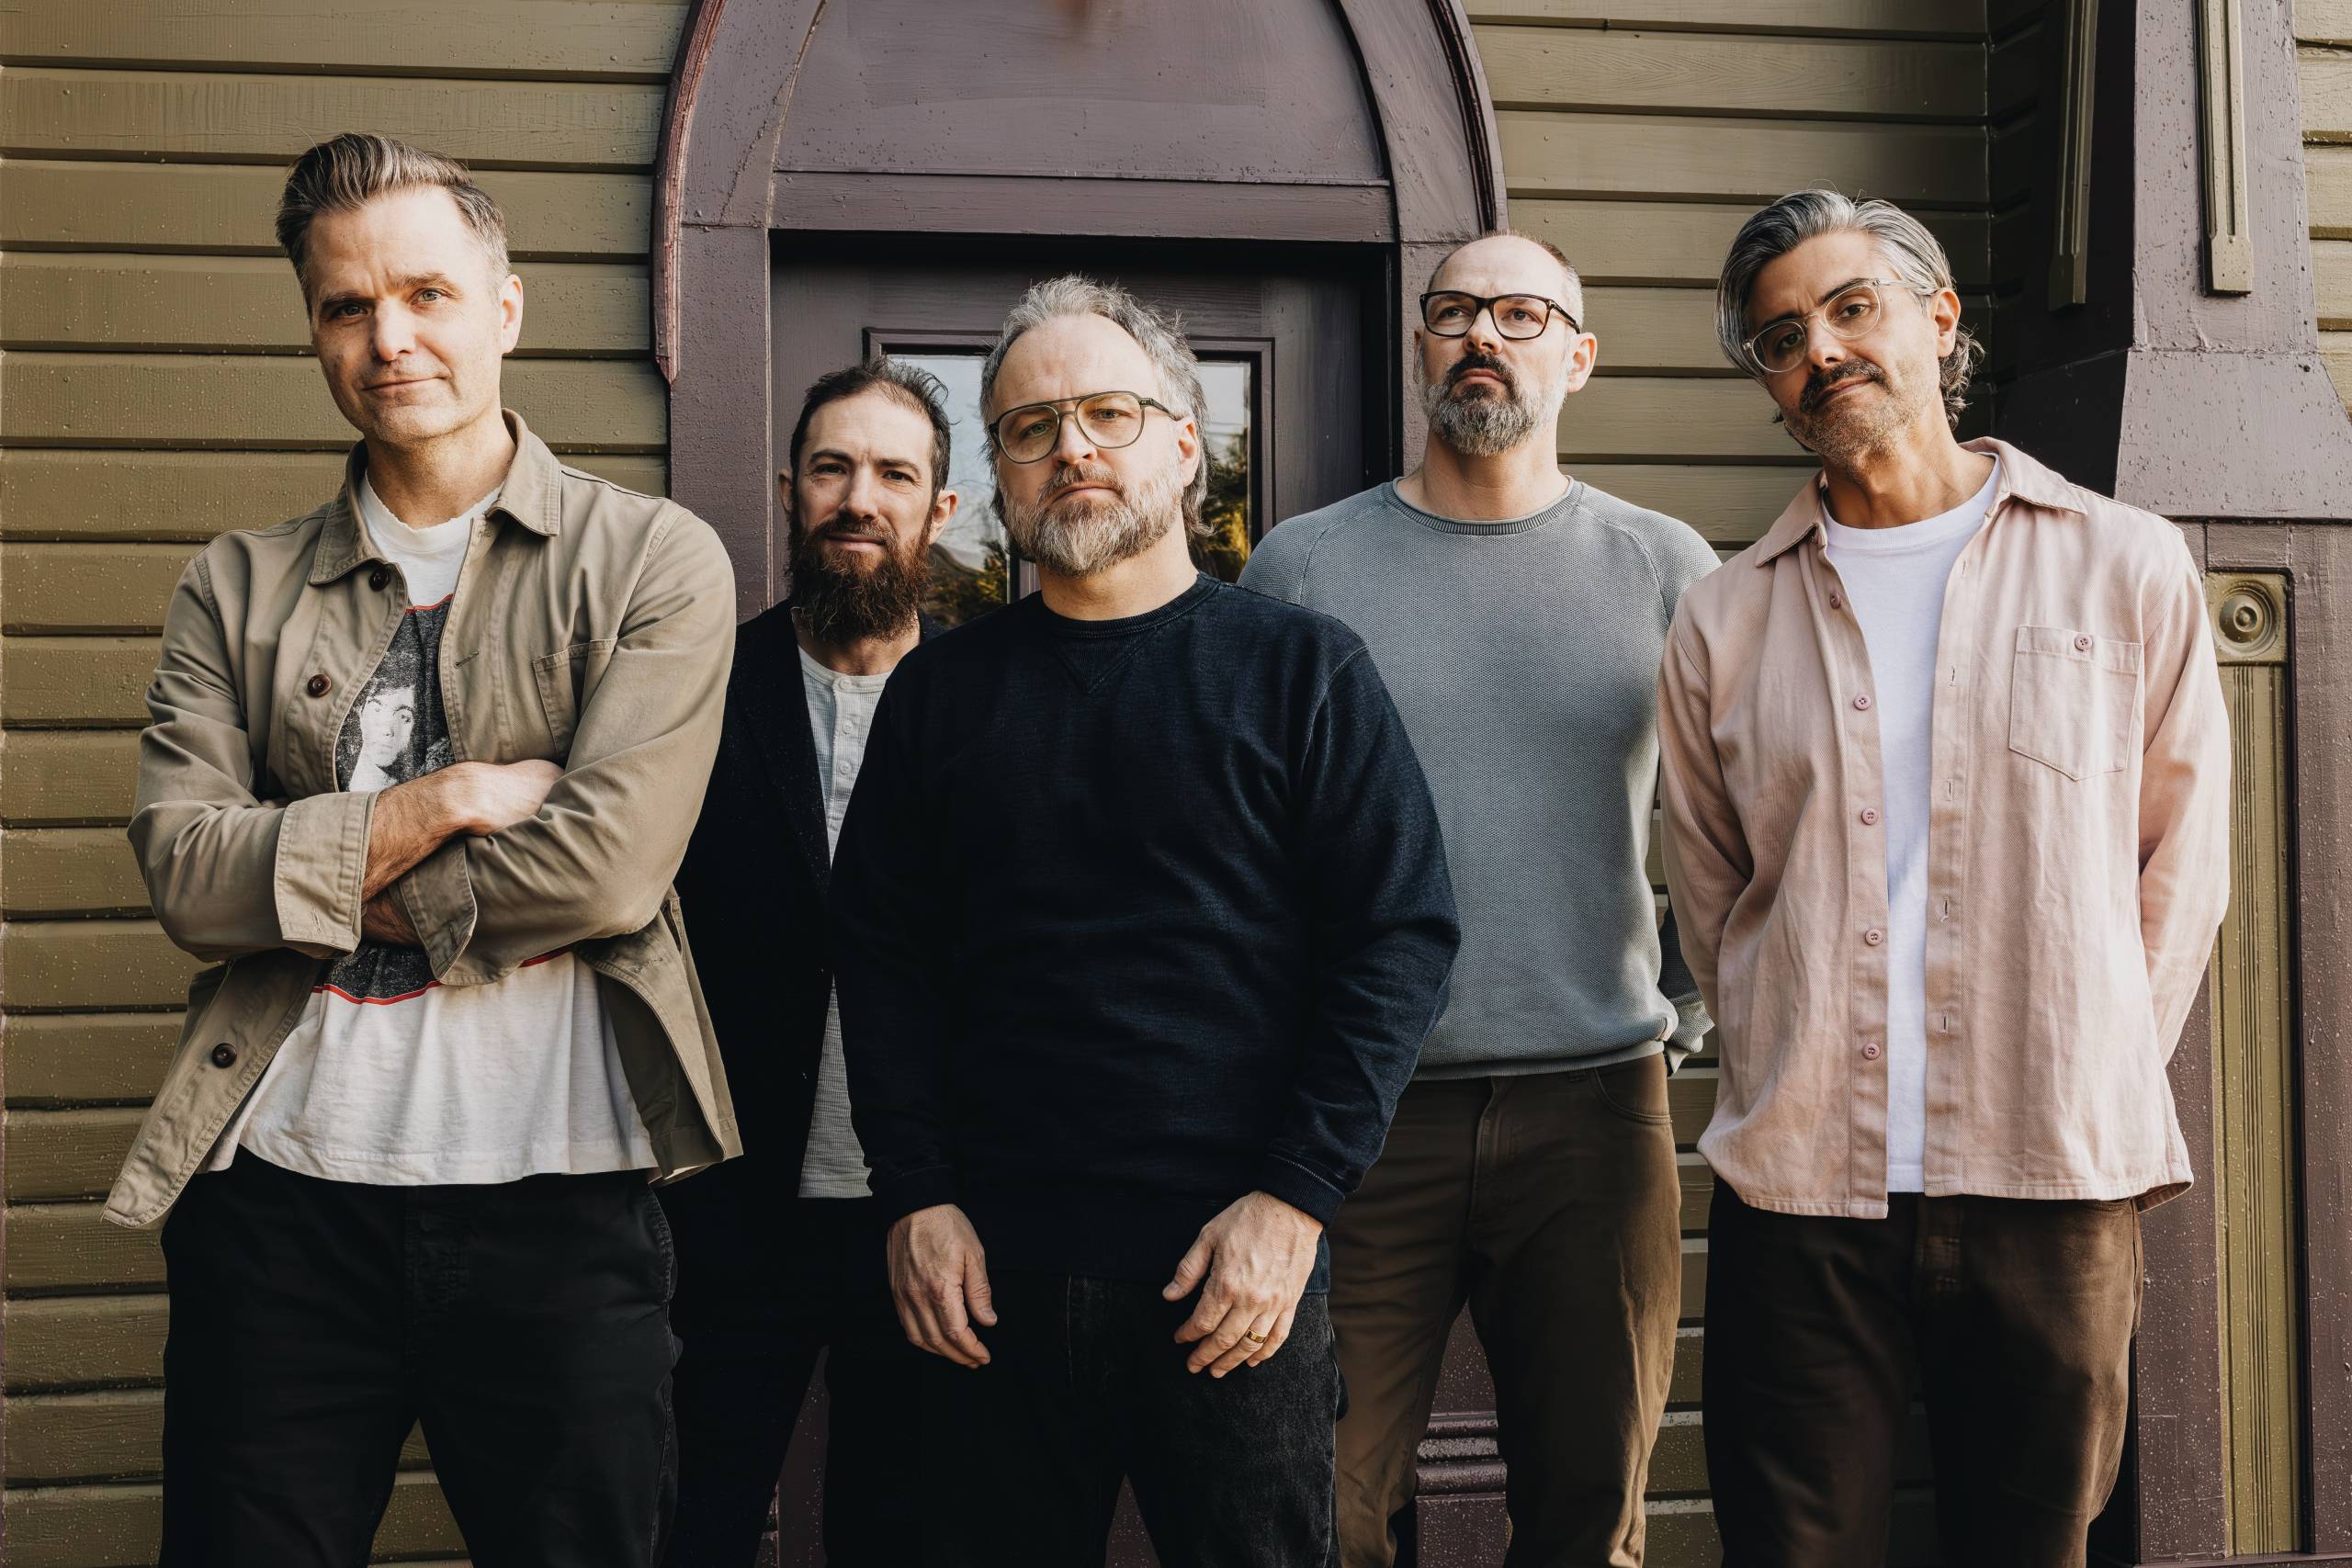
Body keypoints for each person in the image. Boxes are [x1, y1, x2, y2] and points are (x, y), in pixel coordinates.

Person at [109, 131, 740, 1567]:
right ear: (314, 331)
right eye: (346, 305)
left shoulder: (650, 559)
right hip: (279, 1206)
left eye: (427, 294)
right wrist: (439, 806)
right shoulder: (236, 585)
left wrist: (309, 874)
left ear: (505, 306)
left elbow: (607, 870)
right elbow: (187, 878)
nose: (389, 337)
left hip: (561, 1205)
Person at [829, 275, 1461, 1568]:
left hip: (1232, 1282)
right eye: (1030, 426)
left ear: (1184, 443)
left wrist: (1295, 1199)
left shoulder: (1301, 671)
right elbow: (882, 961)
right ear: (999, 475)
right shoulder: (941, 696)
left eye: (1109, 412)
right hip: (986, 1283)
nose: (1072, 448)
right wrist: (916, 1196)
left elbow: (1397, 940)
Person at [1657, 189, 2232, 1568]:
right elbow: (1712, 888)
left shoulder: (2123, 562)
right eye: (1782, 336)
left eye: (1853, 308)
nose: (1824, 351)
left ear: (1938, 316)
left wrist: (2095, 1065)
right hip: (1802, 1194)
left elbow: (2182, 861)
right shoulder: (1724, 615)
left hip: (2052, 1177)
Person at [1242, 231, 1717, 1568]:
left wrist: (1673, 991)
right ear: (1420, 346)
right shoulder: (1304, 568)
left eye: (1521, 313)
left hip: (1595, 1113)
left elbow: (1752, 823)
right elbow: (1253, 847)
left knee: (1587, 1515)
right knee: (1320, 1507)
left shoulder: (1667, 568)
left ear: (1577, 356)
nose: (1482, 336)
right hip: (1358, 1112)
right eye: (1454, 311)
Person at [659, 357, 957, 1565]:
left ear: (942, 509)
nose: (859, 497)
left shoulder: (988, 695)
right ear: (790, 490)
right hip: (729, 1209)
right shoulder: (695, 691)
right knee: (693, 1524)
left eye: (895, 473)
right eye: (833, 468)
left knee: (900, 1534)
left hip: (929, 1214)